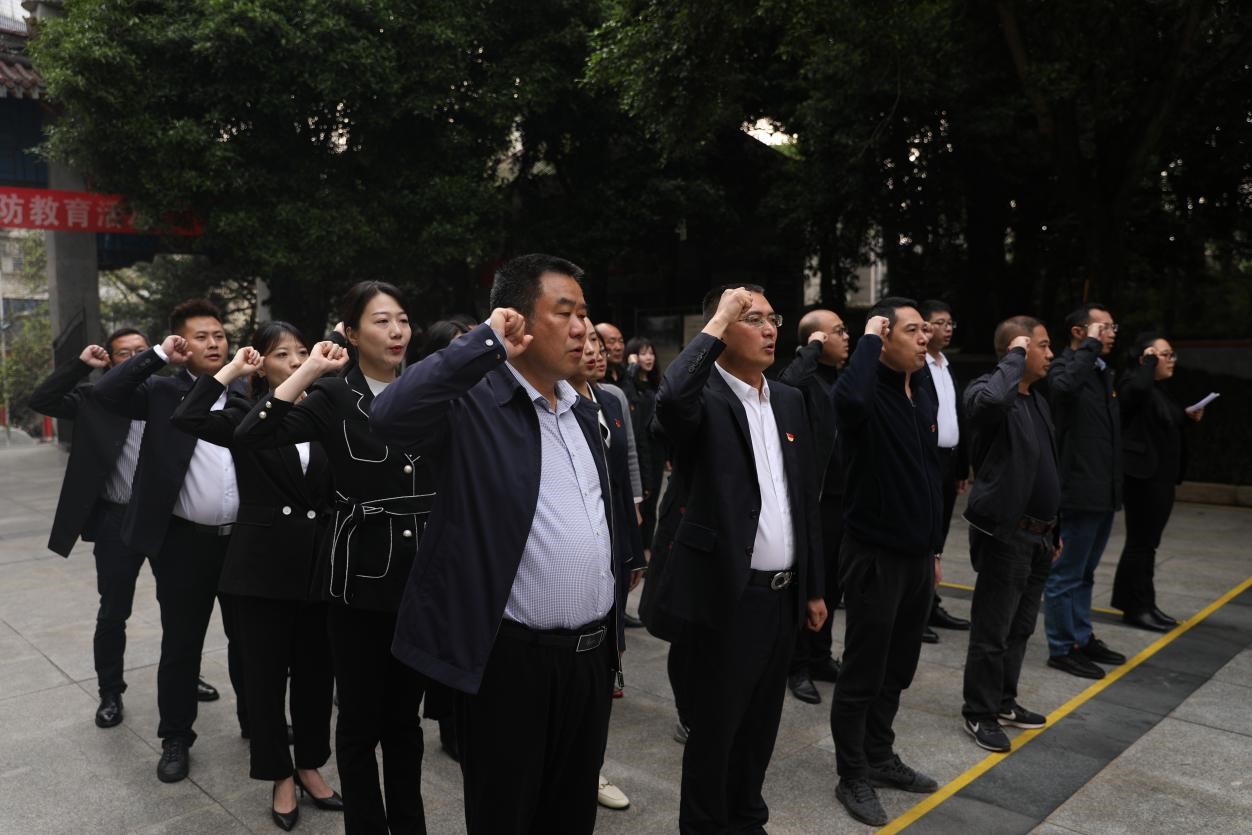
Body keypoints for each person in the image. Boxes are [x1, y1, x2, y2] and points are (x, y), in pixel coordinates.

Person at [371, 254, 639, 835]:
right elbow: (388, 416)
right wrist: (484, 342)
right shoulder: (474, 401)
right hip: (513, 663)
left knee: (571, 814)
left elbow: (605, 511)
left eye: (585, 313)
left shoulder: (583, 408)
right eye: (564, 312)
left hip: (591, 658)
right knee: (506, 816)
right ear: (518, 319)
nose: (582, 329)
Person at [232, 282, 433, 834]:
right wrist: (312, 370)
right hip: (357, 578)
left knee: (406, 723)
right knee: (360, 723)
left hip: (419, 576)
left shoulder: (425, 389)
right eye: (381, 321)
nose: (396, 331)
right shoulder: (333, 396)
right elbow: (251, 433)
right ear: (351, 333)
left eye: (403, 320)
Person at [652, 284, 826, 833]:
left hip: (782, 596)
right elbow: (670, 400)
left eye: (773, 318)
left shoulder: (788, 400)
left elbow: (803, 500)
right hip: (726, 596)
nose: (770, 329)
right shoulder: (702, 399)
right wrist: (719, 317)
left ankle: (748, 819)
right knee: (716, 731)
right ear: (723, 329)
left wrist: (813, 587)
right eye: (752, 319)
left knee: (760, 726)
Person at [170, 323, 342, 830]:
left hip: (318, 567)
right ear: (261, 364)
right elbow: (187, 417)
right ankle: (279, 776)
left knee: (316, 677)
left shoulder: (327, 411)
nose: (296, 361)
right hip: (261, 570)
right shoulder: (246, 414)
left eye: (303, 352)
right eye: (282, 354)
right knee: (264, 681)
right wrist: (229, 370)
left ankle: (310, 766)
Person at [29, 329, 224, 728]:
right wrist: (80, 365)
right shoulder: (95, 399)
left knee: (181, 610)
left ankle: (187, 677)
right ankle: (110, 691)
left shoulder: (172, 395)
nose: (136, 357)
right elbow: (42, 400)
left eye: (142, 350)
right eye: (124, 353)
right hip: (117, 520)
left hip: (169, 520)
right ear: (111, 361)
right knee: (114, 610)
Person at [92, 298, 246, 783]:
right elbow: (107, 393)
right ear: (182, 342)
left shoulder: (244, 390)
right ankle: (176, 737)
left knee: (248, 640)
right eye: (201, 336)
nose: (214, 343)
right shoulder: (162, 391)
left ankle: (257, 721)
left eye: (219, 334)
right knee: (182, 645)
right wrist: (157, 354)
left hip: (242, 542)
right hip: (183, 544)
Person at [830, 297, 942, 827]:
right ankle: (851, 773)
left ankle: (879, 755)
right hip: (874, 555)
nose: (925, 338)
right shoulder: (865, 392)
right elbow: (848, 401)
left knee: (897, 669)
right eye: (912, 330)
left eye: (926, 329)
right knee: (863, 672)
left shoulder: (918, 390)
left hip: (917, 557)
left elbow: (929, 476)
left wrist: (933, 549)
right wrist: (870, 335)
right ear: (883, 338)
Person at [959, 317, 1060, 753]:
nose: (1051, 354)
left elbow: (1048, 466)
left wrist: (1055, 527)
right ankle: (979, 712)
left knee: (1020, 628)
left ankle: (1003, 701)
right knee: (992, 630)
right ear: (1016, 350)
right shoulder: (987, 391)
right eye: (1043, 345)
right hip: (1007, 534)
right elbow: (988, 406)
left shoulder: (1037, 401)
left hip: (1040, 535)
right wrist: (1015, 354)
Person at [568, 321, 648, 813]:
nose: (592, 351)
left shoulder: (611, 400)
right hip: (570, 556)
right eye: (583, 342)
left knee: (606, 661)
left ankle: (590, 766)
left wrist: (634, 551)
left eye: (596, 343)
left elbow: (622, 481)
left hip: (612, 546)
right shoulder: (550, 402)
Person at [1044, 303, 1126, 679]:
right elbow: (1063, 389)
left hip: (1102, 490)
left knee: (1086, 572)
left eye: (1112, 327)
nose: (1110, 333)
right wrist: (1090, 348)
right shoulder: (1065, 366)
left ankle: (1081, 635)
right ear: (1079, 332)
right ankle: (1062, 647)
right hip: (1077, 488)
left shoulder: (1100, 371)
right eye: (1102, 327)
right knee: (1066, 573)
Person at [777, 308, 850, 705]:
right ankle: (797, 665)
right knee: (809, 584)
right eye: (837, 332)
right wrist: (812, 348)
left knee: (833, 585)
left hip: (841, 501)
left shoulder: (839, 380)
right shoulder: (803, 381)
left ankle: (821, 656)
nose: (846, 336)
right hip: (813, 501)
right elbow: (787, 383)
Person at [1111, 333, 1202, 631]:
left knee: (1147, 544)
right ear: (1145, 359)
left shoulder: (1157, 390)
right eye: (1164, 355)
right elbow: (1136, 393)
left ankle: (1144, 603)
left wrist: (1187, 417)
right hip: (1144, 478)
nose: (1171, 360)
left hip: (1160, 479)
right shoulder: (1134, 383)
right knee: (1141, 543)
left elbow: (1165, 421)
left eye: (1171, 354)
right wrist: (1148, 362)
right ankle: (1136, 607)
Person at [919, 300, 972, 643]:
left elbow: (957, 416)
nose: (947, 328)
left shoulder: (945, 364)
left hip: (949, 460)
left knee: (939, 534)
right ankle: (919, 607)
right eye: (940, 322)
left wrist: (963, 465)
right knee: (925, 533)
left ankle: (932, 601)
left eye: (950, 322)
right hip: (929, 459)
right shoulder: (918, 365)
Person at [624, 336, 664, 557]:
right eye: (643, 353)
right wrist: (631, 369)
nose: (649, 358)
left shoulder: (657, 384)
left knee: (652, 505)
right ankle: (637, 552)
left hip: (655, 451)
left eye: (651, 353)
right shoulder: (628, 383)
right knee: (638, 503)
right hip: (637, 451)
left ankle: (647, 550)